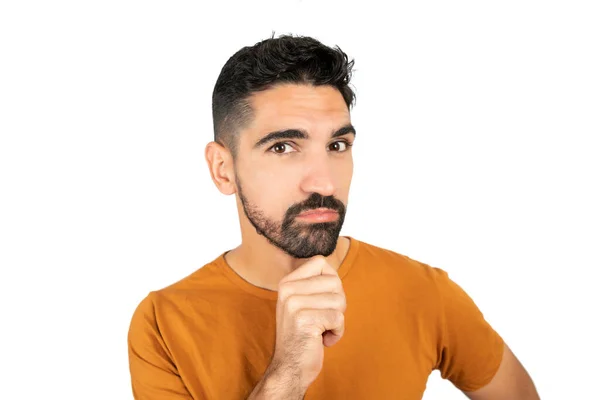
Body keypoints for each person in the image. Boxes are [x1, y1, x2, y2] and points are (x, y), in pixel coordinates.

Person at [127, 34, 540, 399]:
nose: (324, 182)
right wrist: (287, 374)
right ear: (223, 169)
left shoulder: (424, 292)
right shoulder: (163, 323)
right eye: (284, 147)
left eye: (338, 146)